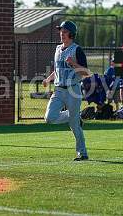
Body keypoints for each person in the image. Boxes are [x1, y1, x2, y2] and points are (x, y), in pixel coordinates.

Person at [43, 20, 91, 161]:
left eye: (65, 32)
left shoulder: (77, 50)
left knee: (74, 125)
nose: (62, 34)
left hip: (73, 90)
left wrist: (74, 63)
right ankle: (75, 115)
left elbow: (86, 73)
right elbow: (58, 70)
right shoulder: (58, 49)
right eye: (61, 31)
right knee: (49, 118)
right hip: (58, 90)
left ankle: (82, 153)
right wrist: (48, 79)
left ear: (71, 34)